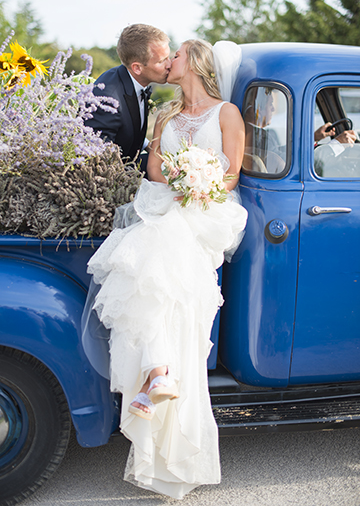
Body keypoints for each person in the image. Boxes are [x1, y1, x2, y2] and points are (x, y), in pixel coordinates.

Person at [85, 39, 248, 499]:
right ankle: (158, 372)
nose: (167, 61)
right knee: (146, 281)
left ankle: (159, 374)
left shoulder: (226, 114)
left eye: (174, 55)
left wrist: (201, 183)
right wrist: (180, 177)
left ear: (193, 63)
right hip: (168, 205)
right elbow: (155, 169)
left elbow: (232, 171)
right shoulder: (166, 116)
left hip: (206, 214)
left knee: (154, 266)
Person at [84, 24, 173, 170]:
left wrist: (149, 146)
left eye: (168, 57)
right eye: (161, 61)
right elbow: (97, 161)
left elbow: (126, 128)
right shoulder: (107, 101)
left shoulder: (131, 79)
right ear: (137, 68)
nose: (169, 65)